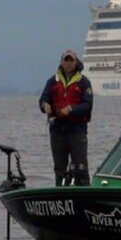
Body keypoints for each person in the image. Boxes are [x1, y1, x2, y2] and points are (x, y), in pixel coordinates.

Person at [38, 48, 94, 185]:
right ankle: (60, 192)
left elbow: (88, 105)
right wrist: (45, 106)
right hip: (57, 130)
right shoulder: (52, 81)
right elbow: (42, 100)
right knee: (59, 167)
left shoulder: (83, 82)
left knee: (80, 167)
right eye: (66, 60)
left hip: (77, 130)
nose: (68, 63)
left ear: (76, 62)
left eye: (71, 60)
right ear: (61, 63)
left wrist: (71, 109)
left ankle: (84, 193)